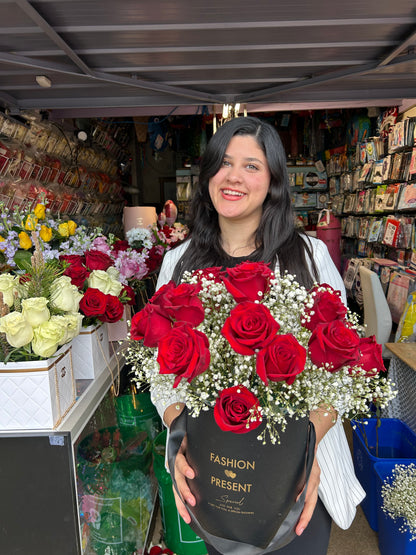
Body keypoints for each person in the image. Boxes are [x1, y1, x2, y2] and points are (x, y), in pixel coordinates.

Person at [151, 116, 365, 555]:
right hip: (217, 479)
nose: (233, 177)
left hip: (299, 482)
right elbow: (159, 369)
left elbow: (346, 366)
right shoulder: (177, 263)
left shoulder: (309, 257)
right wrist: (179, 434)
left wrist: (307, 443)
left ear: (273, 182)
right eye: (224, 163)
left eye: (252, 166)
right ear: (208, 174)